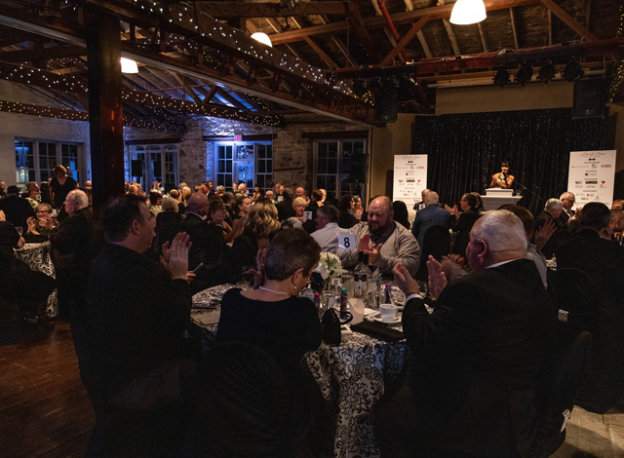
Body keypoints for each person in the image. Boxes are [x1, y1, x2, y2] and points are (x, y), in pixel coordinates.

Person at [376, 210, 556, 458]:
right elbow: (480, 329)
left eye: (469, 241)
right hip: (520, 410)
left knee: (386, 414)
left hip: (474, 420)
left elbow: (424, 341)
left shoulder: (473, 288)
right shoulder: (533, 280)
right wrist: (444, 300)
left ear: (480, 247)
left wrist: (412, 294)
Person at [85, 195, 194, 458]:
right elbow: (175, 319)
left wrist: (166, 274)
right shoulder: (135, 270)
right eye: (151, 225)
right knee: (203, 370)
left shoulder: (104, 260)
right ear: (135, 227)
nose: (154, 231)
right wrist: (179, 277)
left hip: (106, 371)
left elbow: (146, 309)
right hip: (136, 377)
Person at [217, 228, 328, 457]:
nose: (306, 282)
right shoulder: (300, 311)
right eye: (307, 276)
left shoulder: (231, 300)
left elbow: (257, 312)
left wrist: (260, 284)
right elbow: (315, 341)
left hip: (229, 403)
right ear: (297, 275)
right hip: (279, 411)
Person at [555, 202, 624, 413]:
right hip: (603, 318)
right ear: (606, 224)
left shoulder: (564, 247)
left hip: (569, 313)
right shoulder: (612, 250)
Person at [340, 196, 419, 277]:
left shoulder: (405, 236)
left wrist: (380, 260)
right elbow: (338, 256)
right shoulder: (357, 230)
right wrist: (356, 253)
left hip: (388, 287)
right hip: (356, 286)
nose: (373, 219)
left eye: (379, 215)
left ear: (391, 215)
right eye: (371, 214)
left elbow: (411, 266)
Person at [51, 190, 97, 318]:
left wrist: (51, 230)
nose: (64, 203)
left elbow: (58, 241)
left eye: (67, 200)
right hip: (85, 260)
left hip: (74, 264)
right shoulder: (87, 215)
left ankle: (64, 312)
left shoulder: (75, 219)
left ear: (76, 204)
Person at [227, 200, 280, 284]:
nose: (278, 219)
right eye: (275, 216)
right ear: (267, 219)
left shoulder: (273, 237)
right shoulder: (242, 242)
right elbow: (238, 275)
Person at [180, 193, 224, 291]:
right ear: (199, 208)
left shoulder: (187, 220)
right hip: (202, 269)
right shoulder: (199, 225)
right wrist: (218, 224)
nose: (209, 208)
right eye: (207, 205)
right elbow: (216, 243)